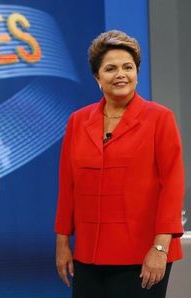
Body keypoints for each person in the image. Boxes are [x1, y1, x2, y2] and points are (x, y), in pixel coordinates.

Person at [54, 30, 185, 298]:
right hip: (88, 255)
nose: (121, 74)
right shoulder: (78, 121)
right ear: (97, 78)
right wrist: (62, 242)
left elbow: (172, 185)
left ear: (137, 72)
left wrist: (160, 248)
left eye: (128, 67)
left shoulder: (160, 118)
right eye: (111, 68)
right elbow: (68, 186)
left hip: (143, 255)